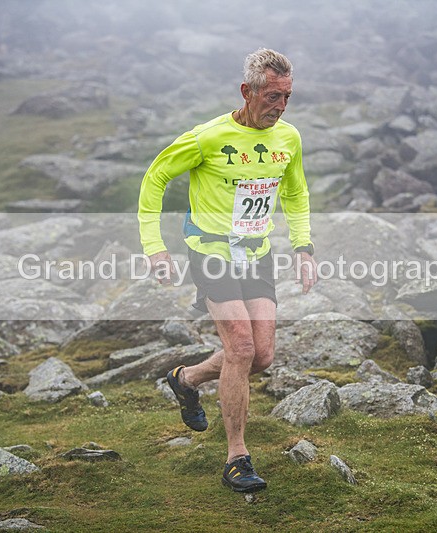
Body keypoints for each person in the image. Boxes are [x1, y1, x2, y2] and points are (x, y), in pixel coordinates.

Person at [137, 48, 317, 493]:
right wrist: (155, 249)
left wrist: (304, 247)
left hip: (256, 252)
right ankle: (237, 457)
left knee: (262, 355)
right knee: (239, 347)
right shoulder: (207, 137)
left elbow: (296, 194)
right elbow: (155, 178)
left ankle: (188, 378)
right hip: (210, 249)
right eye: (272, 96)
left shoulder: (289, 139)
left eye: (287, 97)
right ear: (247, 91)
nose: (280, 107)